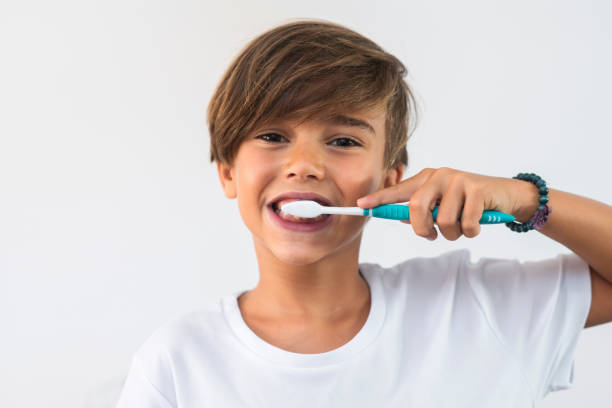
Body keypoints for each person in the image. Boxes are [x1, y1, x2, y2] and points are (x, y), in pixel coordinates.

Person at [116, 20, 612, 407]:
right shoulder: (178, 364)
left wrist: (526, 198)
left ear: (391, 178)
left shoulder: (476, 309)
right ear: (228, 172)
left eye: (343, 141)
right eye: (271, 136)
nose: (304, 166)